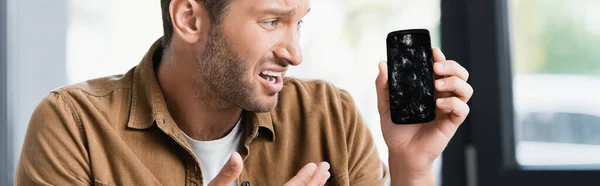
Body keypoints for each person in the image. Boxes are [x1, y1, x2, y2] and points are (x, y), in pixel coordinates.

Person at [14, 0, 473, 185]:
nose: (294, 52)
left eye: (300, 23)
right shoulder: (74, 128)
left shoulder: (331, 117)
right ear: (190, 19)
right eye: (272, 21)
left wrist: (412, 168)